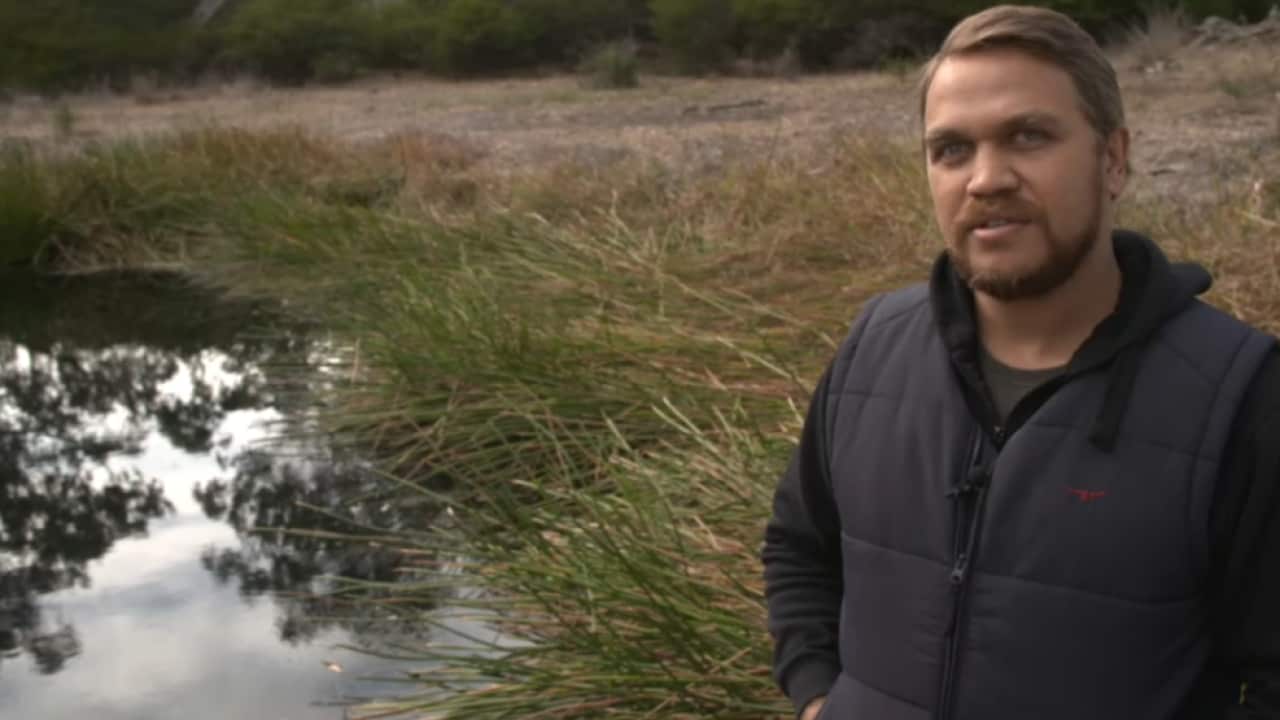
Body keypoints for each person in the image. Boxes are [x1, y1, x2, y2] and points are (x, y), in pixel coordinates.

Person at [761, 5, 1280, 720]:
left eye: (1028, 137)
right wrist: (818, 693)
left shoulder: (1241, 393)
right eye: (950, 150)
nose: (986, 179)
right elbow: (798, 549)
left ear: (1114, 158)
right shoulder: (872, 349)